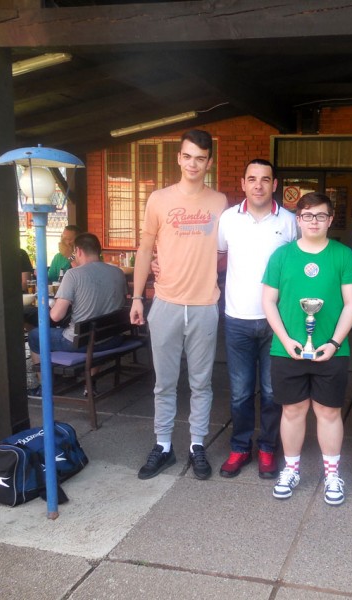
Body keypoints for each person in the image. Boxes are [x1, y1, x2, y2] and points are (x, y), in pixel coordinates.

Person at [130, 129, 227, 481]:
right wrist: (138, 297)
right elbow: (145, 249)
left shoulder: (220, 202)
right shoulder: (158, 199)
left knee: (202, 383)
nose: (193, 164)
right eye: (187, 157)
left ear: (209, 162)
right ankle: (163, 445)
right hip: (166, 303)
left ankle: (197, 444)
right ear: (178, 158)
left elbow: (227, 251)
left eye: (200, 158)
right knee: (164, 383)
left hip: (204, 304)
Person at [262, 192, 352, 506]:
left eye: (320, 215)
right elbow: (268, 301)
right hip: (287, 350)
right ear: (298, 220)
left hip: (332, 351)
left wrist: (334, 342)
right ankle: (291, 470)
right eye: (307, 215)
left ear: (330, 220)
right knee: (292, 411)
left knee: (329, 413)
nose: (314, 221)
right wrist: (285, 339)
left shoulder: (343, 256)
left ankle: (332, 474)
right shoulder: (281, 256)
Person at [217, 159, 297, 479]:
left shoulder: (289, 222)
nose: (258, 185)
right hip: (237, 319)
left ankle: (267, 447)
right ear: (243, 184)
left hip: (276, 322)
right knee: (240, 392)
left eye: (265, 179)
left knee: (271, 391)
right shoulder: (228, 219)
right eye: (252, 179)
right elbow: (217, 258)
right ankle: (239, 447)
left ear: (274, 184)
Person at [28, 232, 127, 375]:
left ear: (78, 251)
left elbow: (56, 316)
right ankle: (90, 381)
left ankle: (44, 382)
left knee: (35, 335)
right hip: (112, 338)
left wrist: (50, 304)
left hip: (82, 343)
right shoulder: (118, 272)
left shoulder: (73, 275)